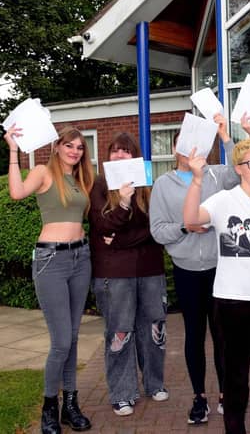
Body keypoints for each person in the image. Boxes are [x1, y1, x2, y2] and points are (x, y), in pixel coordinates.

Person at [183, 138, 250, 434]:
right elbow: (191, 219)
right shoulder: (223, 200)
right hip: (231, 303)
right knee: (235, 379)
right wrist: (196, 179)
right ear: (239, 168)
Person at [5, 125, 94, 434]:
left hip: (81, 258)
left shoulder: (82, 179)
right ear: (58, 147)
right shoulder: (44, 172)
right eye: (70, 145)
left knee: (72, 337)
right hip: (51, 261)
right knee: (61, 342)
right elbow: (16, 193)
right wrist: (14, 150)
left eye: (80, 147)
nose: (75, 151)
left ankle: (70, 404)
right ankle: (48, 408)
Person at [150, 116, 239, 424]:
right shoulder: (163, 184)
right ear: (176, 149)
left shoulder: (215, 175)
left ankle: (226, 394)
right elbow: (158, 231)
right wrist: (186, 228)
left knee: (222, 335)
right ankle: (199, 396)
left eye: (196, 145)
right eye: (183, 144)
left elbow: (241, 175)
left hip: (219, 267)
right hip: (186, 269)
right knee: (194, 336)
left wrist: (226, 137)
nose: (189, 151)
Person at [89, 133, 167, 417]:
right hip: (114, 274)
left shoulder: (147, 184)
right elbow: (101, 225)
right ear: (108, 157)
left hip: (150, 270)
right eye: (115, 151)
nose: (120, 156)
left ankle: (154, 383)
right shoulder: (99, 184)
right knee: (120, 333)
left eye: (126, 151)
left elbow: (154, 228)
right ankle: (122, 394)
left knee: (154, 330)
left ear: (135, 156)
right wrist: (122, 204)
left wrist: (120, 240)